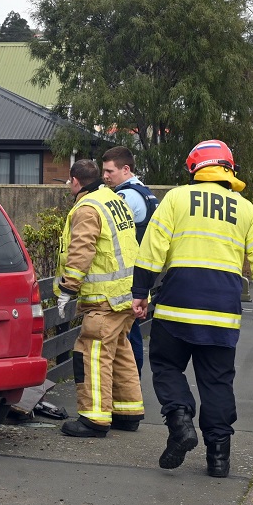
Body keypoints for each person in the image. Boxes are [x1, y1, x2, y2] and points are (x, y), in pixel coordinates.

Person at [130, 139, 253, 478]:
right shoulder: (244, 209)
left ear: (195, 168)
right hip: (222, 313)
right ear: (229, 168)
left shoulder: (177, 199)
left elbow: (152, 248)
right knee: (217, 382)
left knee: (167, 365)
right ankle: (219, 458)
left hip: (177, 306)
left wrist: (140, 291)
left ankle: (181, 420)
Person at [54, 159, 144, 437]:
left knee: (90, 352)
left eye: (70, 181)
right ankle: (128, 412)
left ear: (75, 181)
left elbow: (82, 250)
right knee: (120, 351)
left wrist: (68, 288)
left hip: (104, 297)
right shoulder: (113, 200)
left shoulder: (87, 208)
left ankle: (94, 419)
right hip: (127, 293)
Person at [101, 146, 160, 376]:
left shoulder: (125, 197)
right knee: (131, 327)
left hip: (128, 275)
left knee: (128, 331)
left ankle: (130, 381)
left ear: (126, 169)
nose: (105, 176)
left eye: (109, 171)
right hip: (142, 271)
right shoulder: (145, 192)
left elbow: (109, 231)